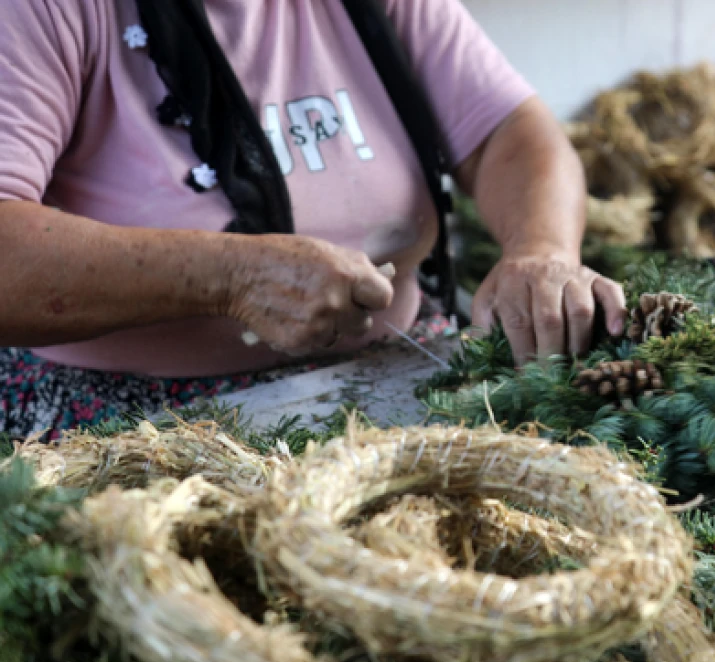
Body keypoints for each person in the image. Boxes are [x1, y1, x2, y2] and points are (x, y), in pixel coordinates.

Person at [0, 0, 626, 438]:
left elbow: (509, 134)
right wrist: (231, 276)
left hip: (395, 369)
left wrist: (540, 249)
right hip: (135, 425)